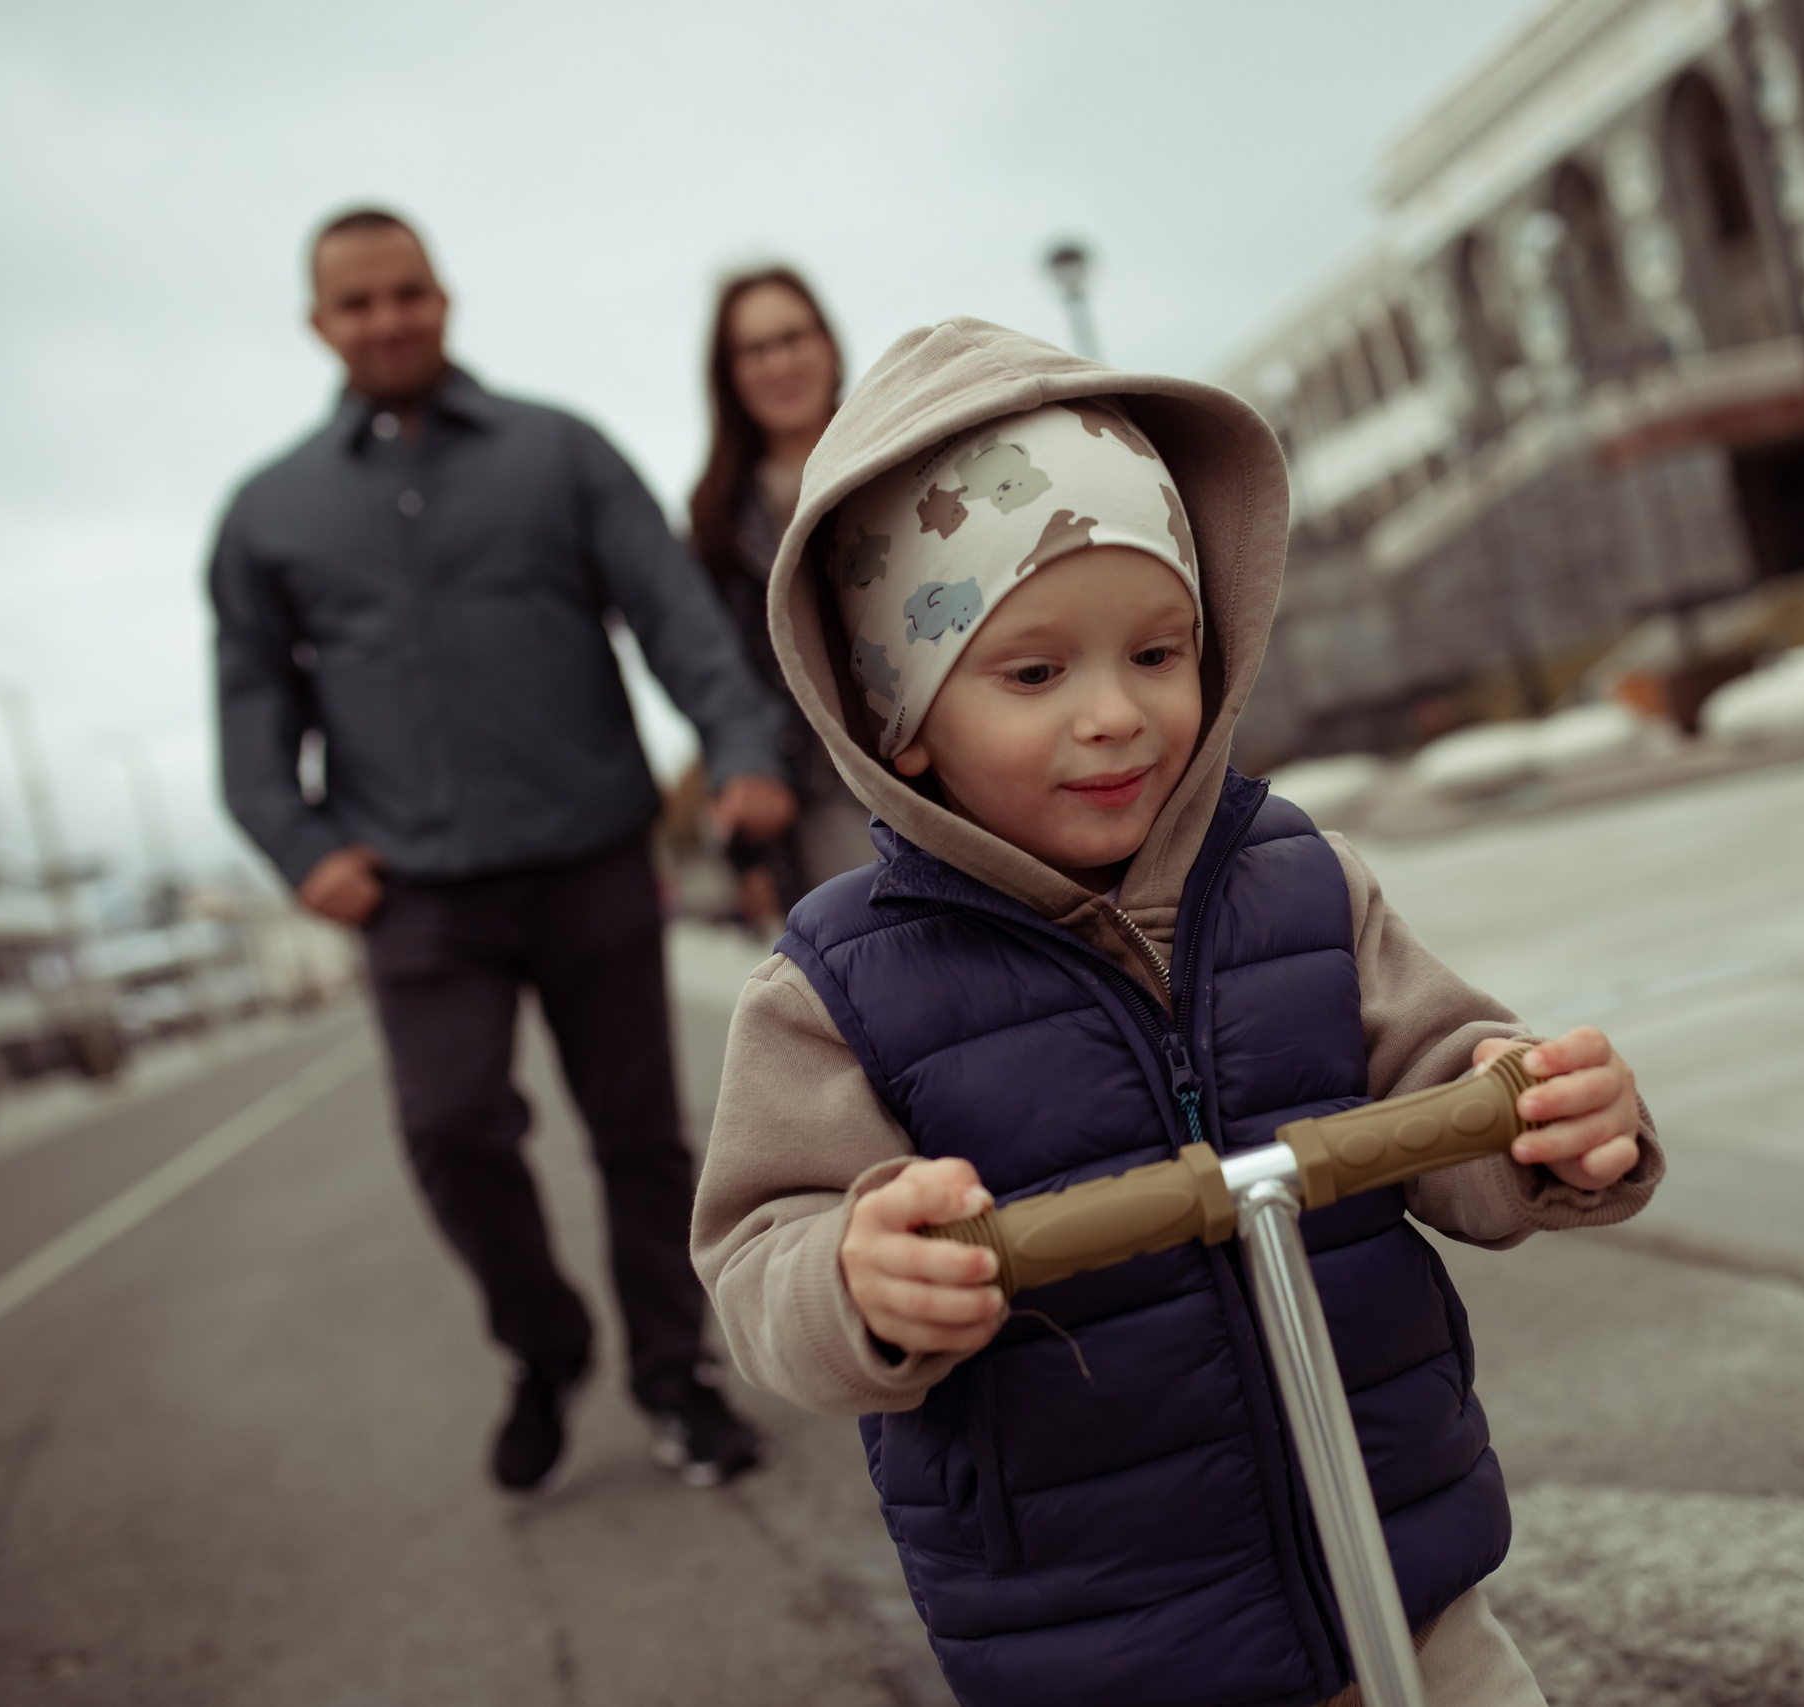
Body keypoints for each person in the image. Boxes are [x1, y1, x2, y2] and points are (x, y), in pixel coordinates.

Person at [689, 319, 1664, 1707]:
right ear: (899, 718)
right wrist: (858, 1275)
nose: (1117, 714)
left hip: (1401, 1573)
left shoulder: (1298, 882)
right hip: (1109, 1632)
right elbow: (758, 1252)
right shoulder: (838, 985)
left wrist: (1536, 1115)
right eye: (1034, 673)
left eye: (1159, 651)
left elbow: (1441, 1069)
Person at [210, 207, 782, 1493]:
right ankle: (546, 1344)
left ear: (445, 298)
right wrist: (300, 849)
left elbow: (674, 617)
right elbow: (250, 716)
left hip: (589, 856)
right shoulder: (269, 515)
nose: (388, 319)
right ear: (320, 324)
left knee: (638, 1132)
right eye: (357, 304)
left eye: (407, 292)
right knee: (452, 1128)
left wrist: (739, 746)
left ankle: (673, 1377)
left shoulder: (559, 451)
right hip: (410, 890)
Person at [685, 265, 874, 929]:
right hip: (827, 795)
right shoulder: (716, 524)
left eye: (793, 336)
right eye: (754, 348)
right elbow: (723, 685)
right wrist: (752, 856)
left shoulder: (905, 457)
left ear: (829, 344)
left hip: (964, 756)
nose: (779, 361)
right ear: (729, 373)